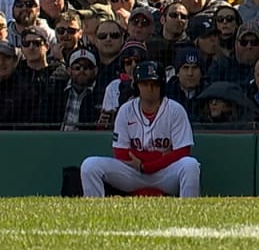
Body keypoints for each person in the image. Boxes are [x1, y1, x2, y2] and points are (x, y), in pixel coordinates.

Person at [79, 60, 201, 198]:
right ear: (137, 86)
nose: (150, 88)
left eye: (155, 84)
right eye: (145, 83)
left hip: (165, 173)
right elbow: (120, 152)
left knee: (191, 166)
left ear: (162, 86)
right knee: (90, 166)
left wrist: (146, 165)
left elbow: (183, 151)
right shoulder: (126, 110)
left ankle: (187, 215)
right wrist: (160, 156)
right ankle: (95, 213)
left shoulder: (175, 110)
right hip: (133, 173)